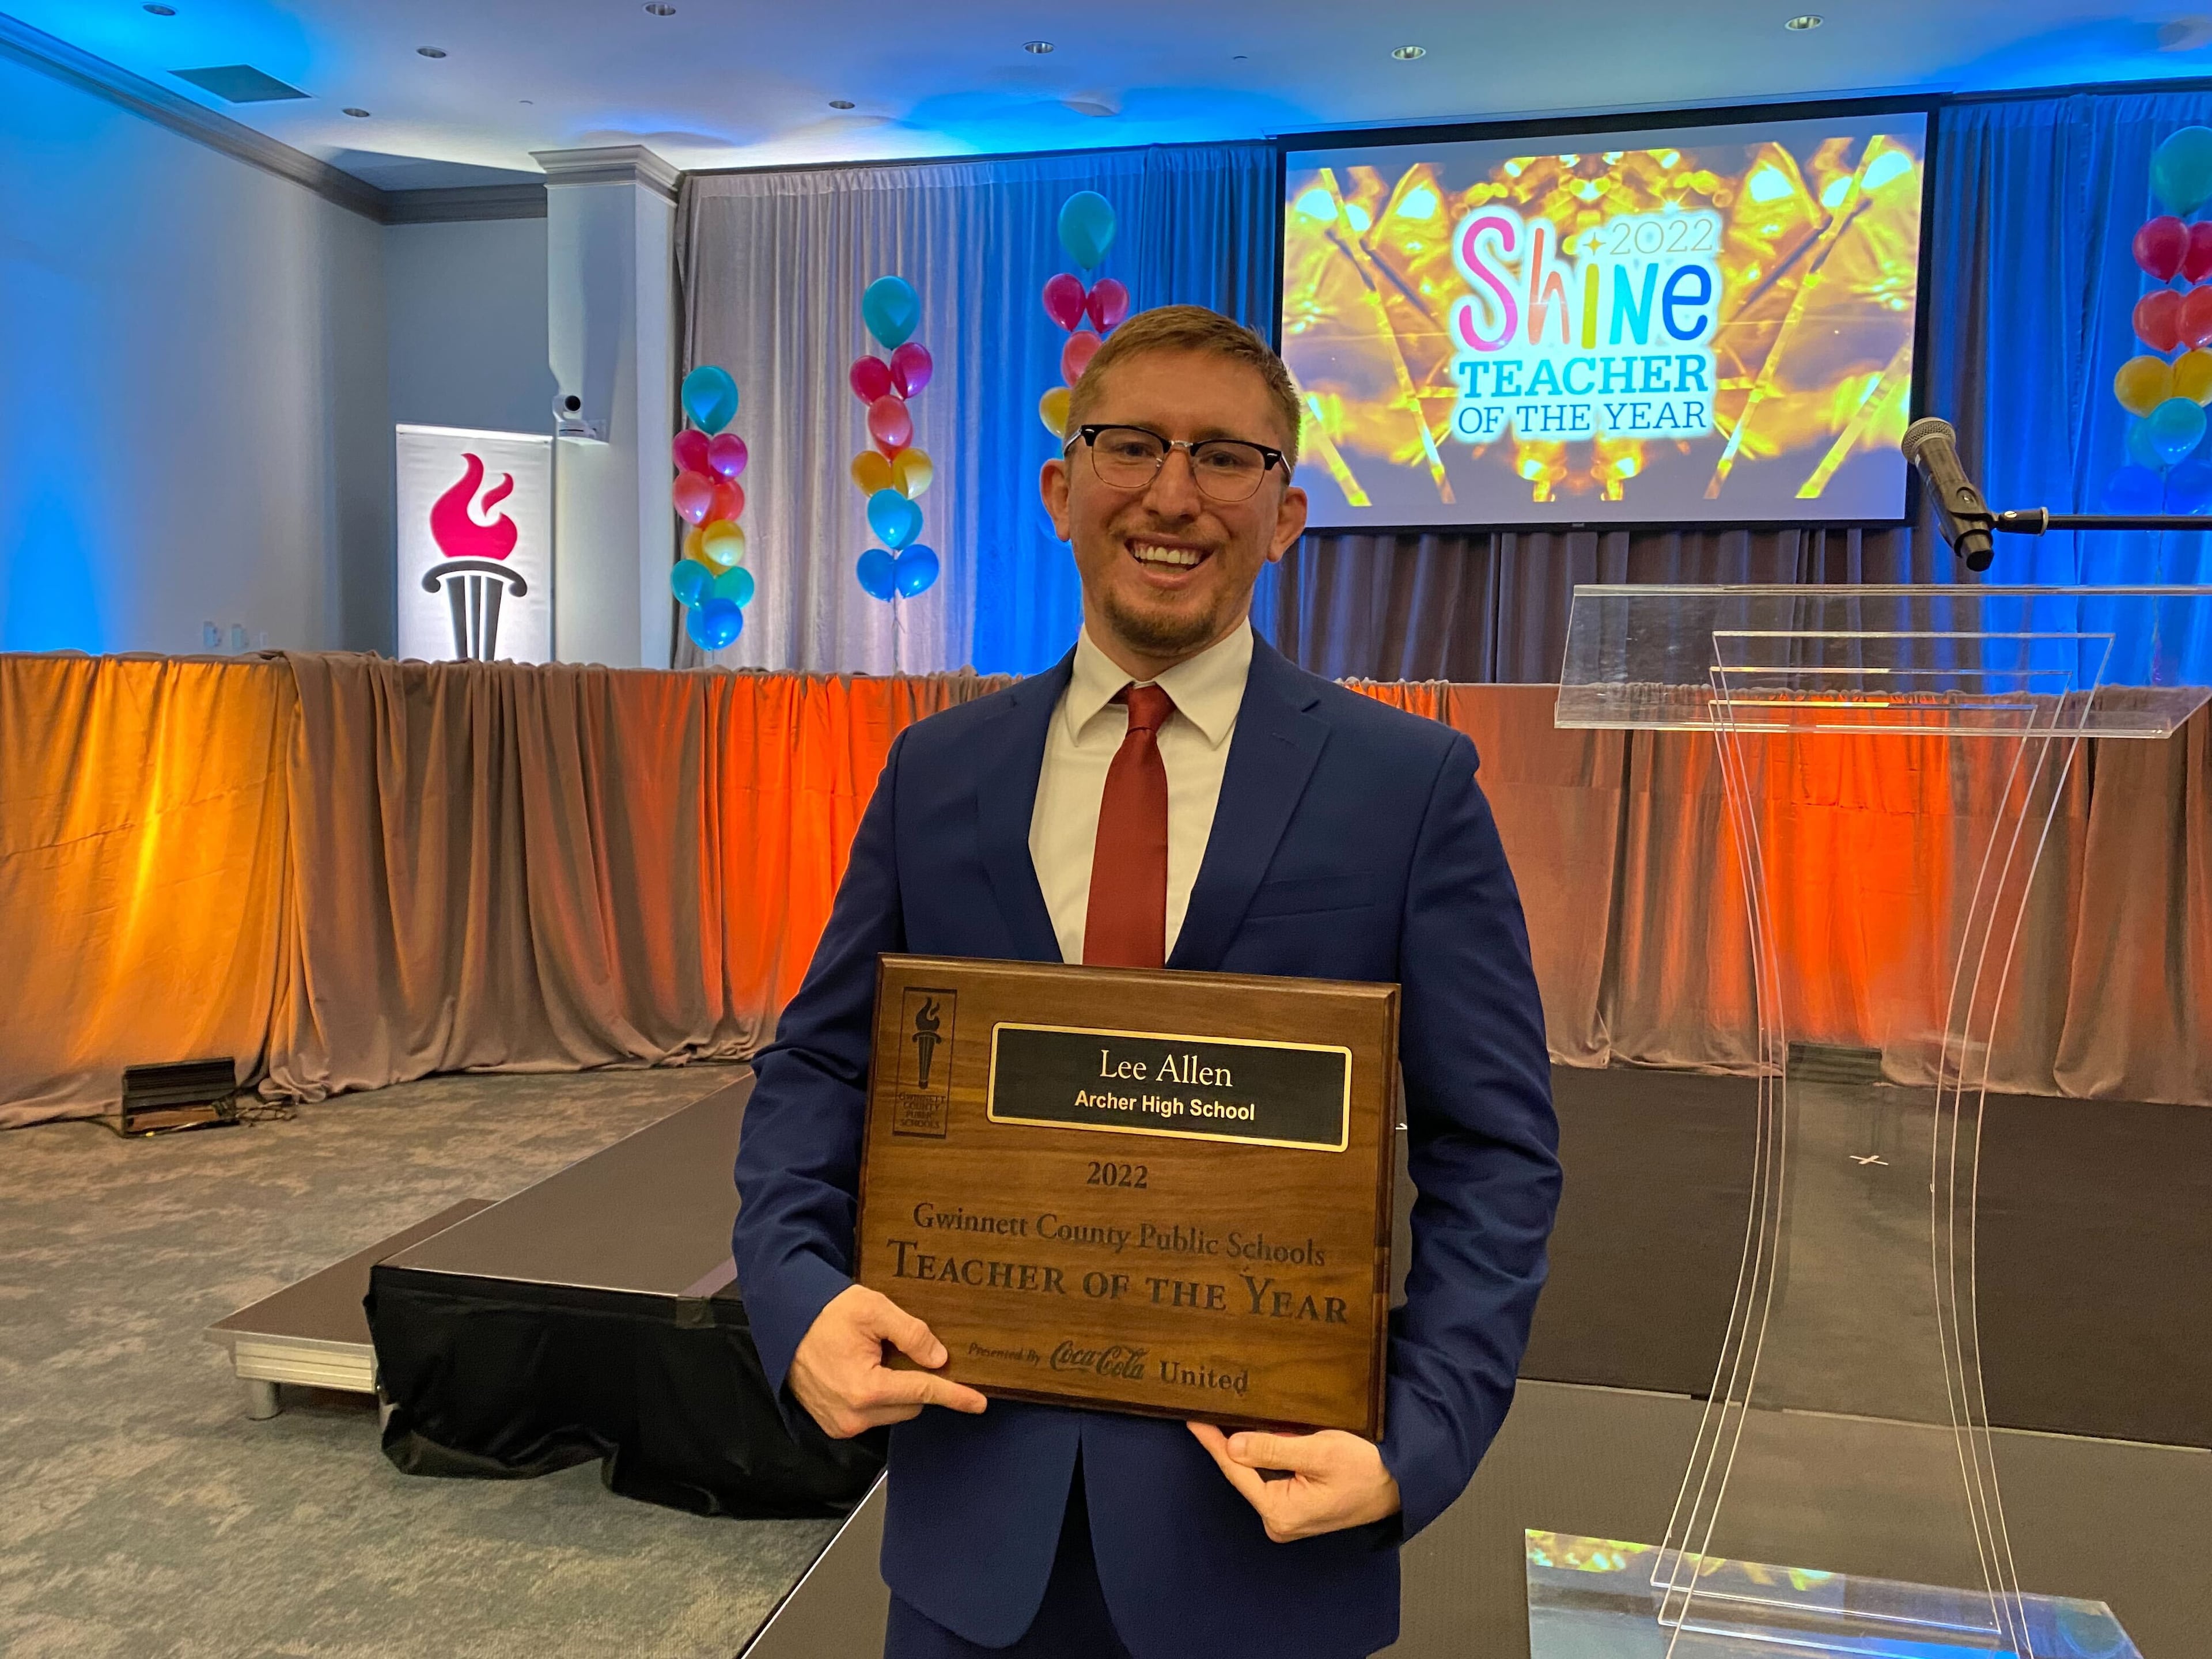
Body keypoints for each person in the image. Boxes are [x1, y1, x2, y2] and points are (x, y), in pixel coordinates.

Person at [733, 305, 1559, 1659]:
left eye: (1228, 458)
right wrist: (793, 1296)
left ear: (1285, 512)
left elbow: (1497, 1150)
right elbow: (824, 1065)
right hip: (970, 1547)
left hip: (1267, 1541)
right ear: (1064, 490)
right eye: (1132, 447)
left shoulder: (1410, 788)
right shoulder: (936, 775)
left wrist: (1419, 1440)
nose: (1174, 495)